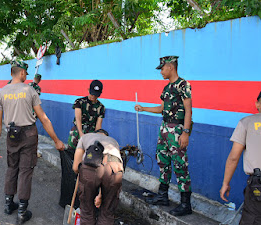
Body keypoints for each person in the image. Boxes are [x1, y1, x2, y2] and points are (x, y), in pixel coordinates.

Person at [0, 61, 65, 224]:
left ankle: (8, 204)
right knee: (25, 170)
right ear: (21, 73)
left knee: (12, 168)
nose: (26, 75)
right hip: (28, 135)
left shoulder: (1, 93)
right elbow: (43, 119)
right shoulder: (30, 90)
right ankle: (22, 212)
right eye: (25, 72)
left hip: (11, 136)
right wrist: (56, 140)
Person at [135, 56, 193, 216]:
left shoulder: (183, 85)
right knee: (163, 161)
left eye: (162, 68)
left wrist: (185, 133)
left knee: (180, 165)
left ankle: (185, 203)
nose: (161, 72)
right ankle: (162, 196)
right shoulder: (167, 88)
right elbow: (162, 109)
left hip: (177, 130)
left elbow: (188, 110)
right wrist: (143, 109)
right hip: (165, 128)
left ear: (171, 67)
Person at [220, 87, 261, 224]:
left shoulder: (246, 122)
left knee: (254, 219)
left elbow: (233, 157)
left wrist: (226, 183)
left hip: (260, 188)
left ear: (257, 104)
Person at [59, 80, 105, 208]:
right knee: (73, 164)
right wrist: (81, 135)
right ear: (88, 90)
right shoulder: (79, 102)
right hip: (77, 137)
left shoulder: (101, 107)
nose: (93, 96)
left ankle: (83, 197)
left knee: (87, 165)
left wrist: (96, 142)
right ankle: (70, 194)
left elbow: (98, 127)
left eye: (96, 94)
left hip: (90, 139)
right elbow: (78, 120)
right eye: (91, 93)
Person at [72, 129, 123, 225]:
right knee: (107, 212)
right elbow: (105, 170)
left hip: (91, 167)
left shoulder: (86, 137)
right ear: (106, 135)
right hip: (114, 169)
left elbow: (75, 167)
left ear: (95, 133)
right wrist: (100, 195)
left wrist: (82, 177)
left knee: (87, 211)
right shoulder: (113, 141)